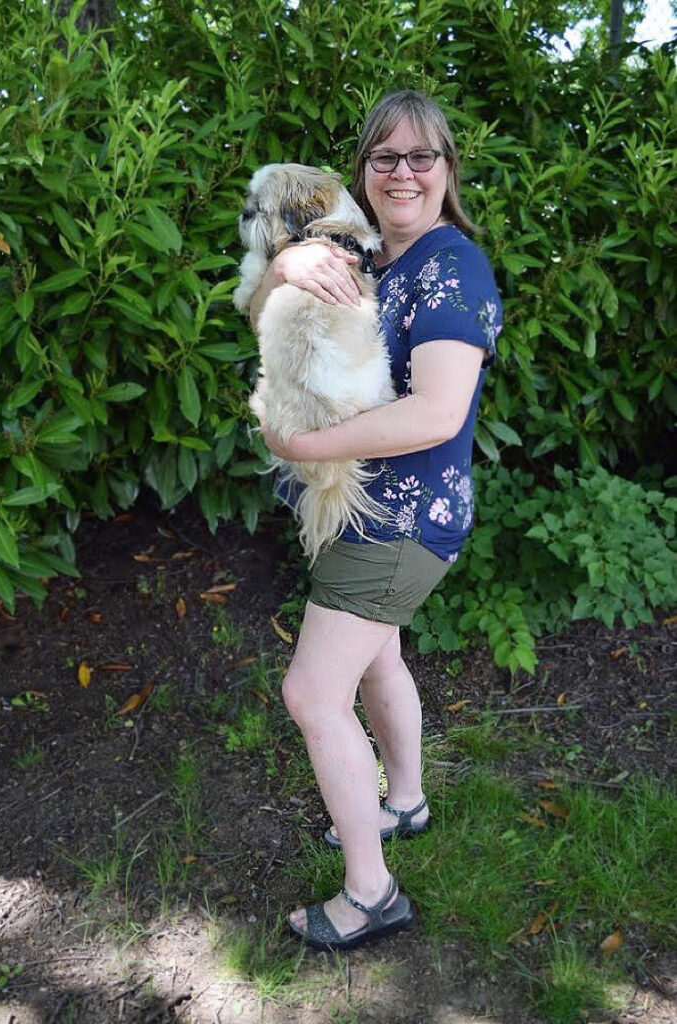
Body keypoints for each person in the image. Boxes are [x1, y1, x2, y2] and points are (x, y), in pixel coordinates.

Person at [247, 90, 502, 951]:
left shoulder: (449, 268)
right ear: (361, 172)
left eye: (420, 156)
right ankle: (406, 802)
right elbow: (267, 317)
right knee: (377, 660)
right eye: (383, 157)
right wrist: (282, 270)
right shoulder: (370, 261)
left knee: (311, 692)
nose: (401, 172)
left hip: (398, 522)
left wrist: (303, 443)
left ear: (446, 171)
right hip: (375, 514)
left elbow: (435, 412)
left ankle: (371, 892)